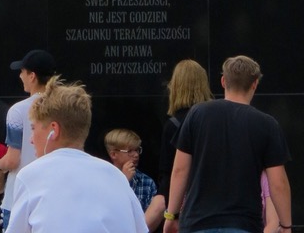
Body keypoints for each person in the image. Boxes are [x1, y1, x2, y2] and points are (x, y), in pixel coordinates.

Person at [165, 54, 292, 233]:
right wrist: (286, 225)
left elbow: (179, 170)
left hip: (197, 223)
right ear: (255, 84)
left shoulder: (197, 114)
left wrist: (171, 215)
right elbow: (278, 182)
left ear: (223, 81)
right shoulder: (267, 124)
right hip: (243, 224)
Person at [6, 78, 146, 233]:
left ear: (54, 130)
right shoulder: (116, 176)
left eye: (33, 128)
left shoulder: (30, 176)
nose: (31, 139)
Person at [0, 49, 56, 230]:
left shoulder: (18, 111)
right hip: (52, 198)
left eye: (22, 71)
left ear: (32, 76)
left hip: (19, 199)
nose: (20, 76)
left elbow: (12, 160)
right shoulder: (65, 110)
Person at [158, 60, 213, 201]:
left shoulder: (173, 125)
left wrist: (171, 214)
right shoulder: (216, 119)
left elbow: (169, 173)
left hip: (187, 201)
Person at [104, 129, 165, 231]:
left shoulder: (146, 182)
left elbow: (151, 218)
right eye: (130, 151)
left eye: (137, 150)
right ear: (113, 154)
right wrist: (123, 180)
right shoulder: (103, 178)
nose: (136, 155)